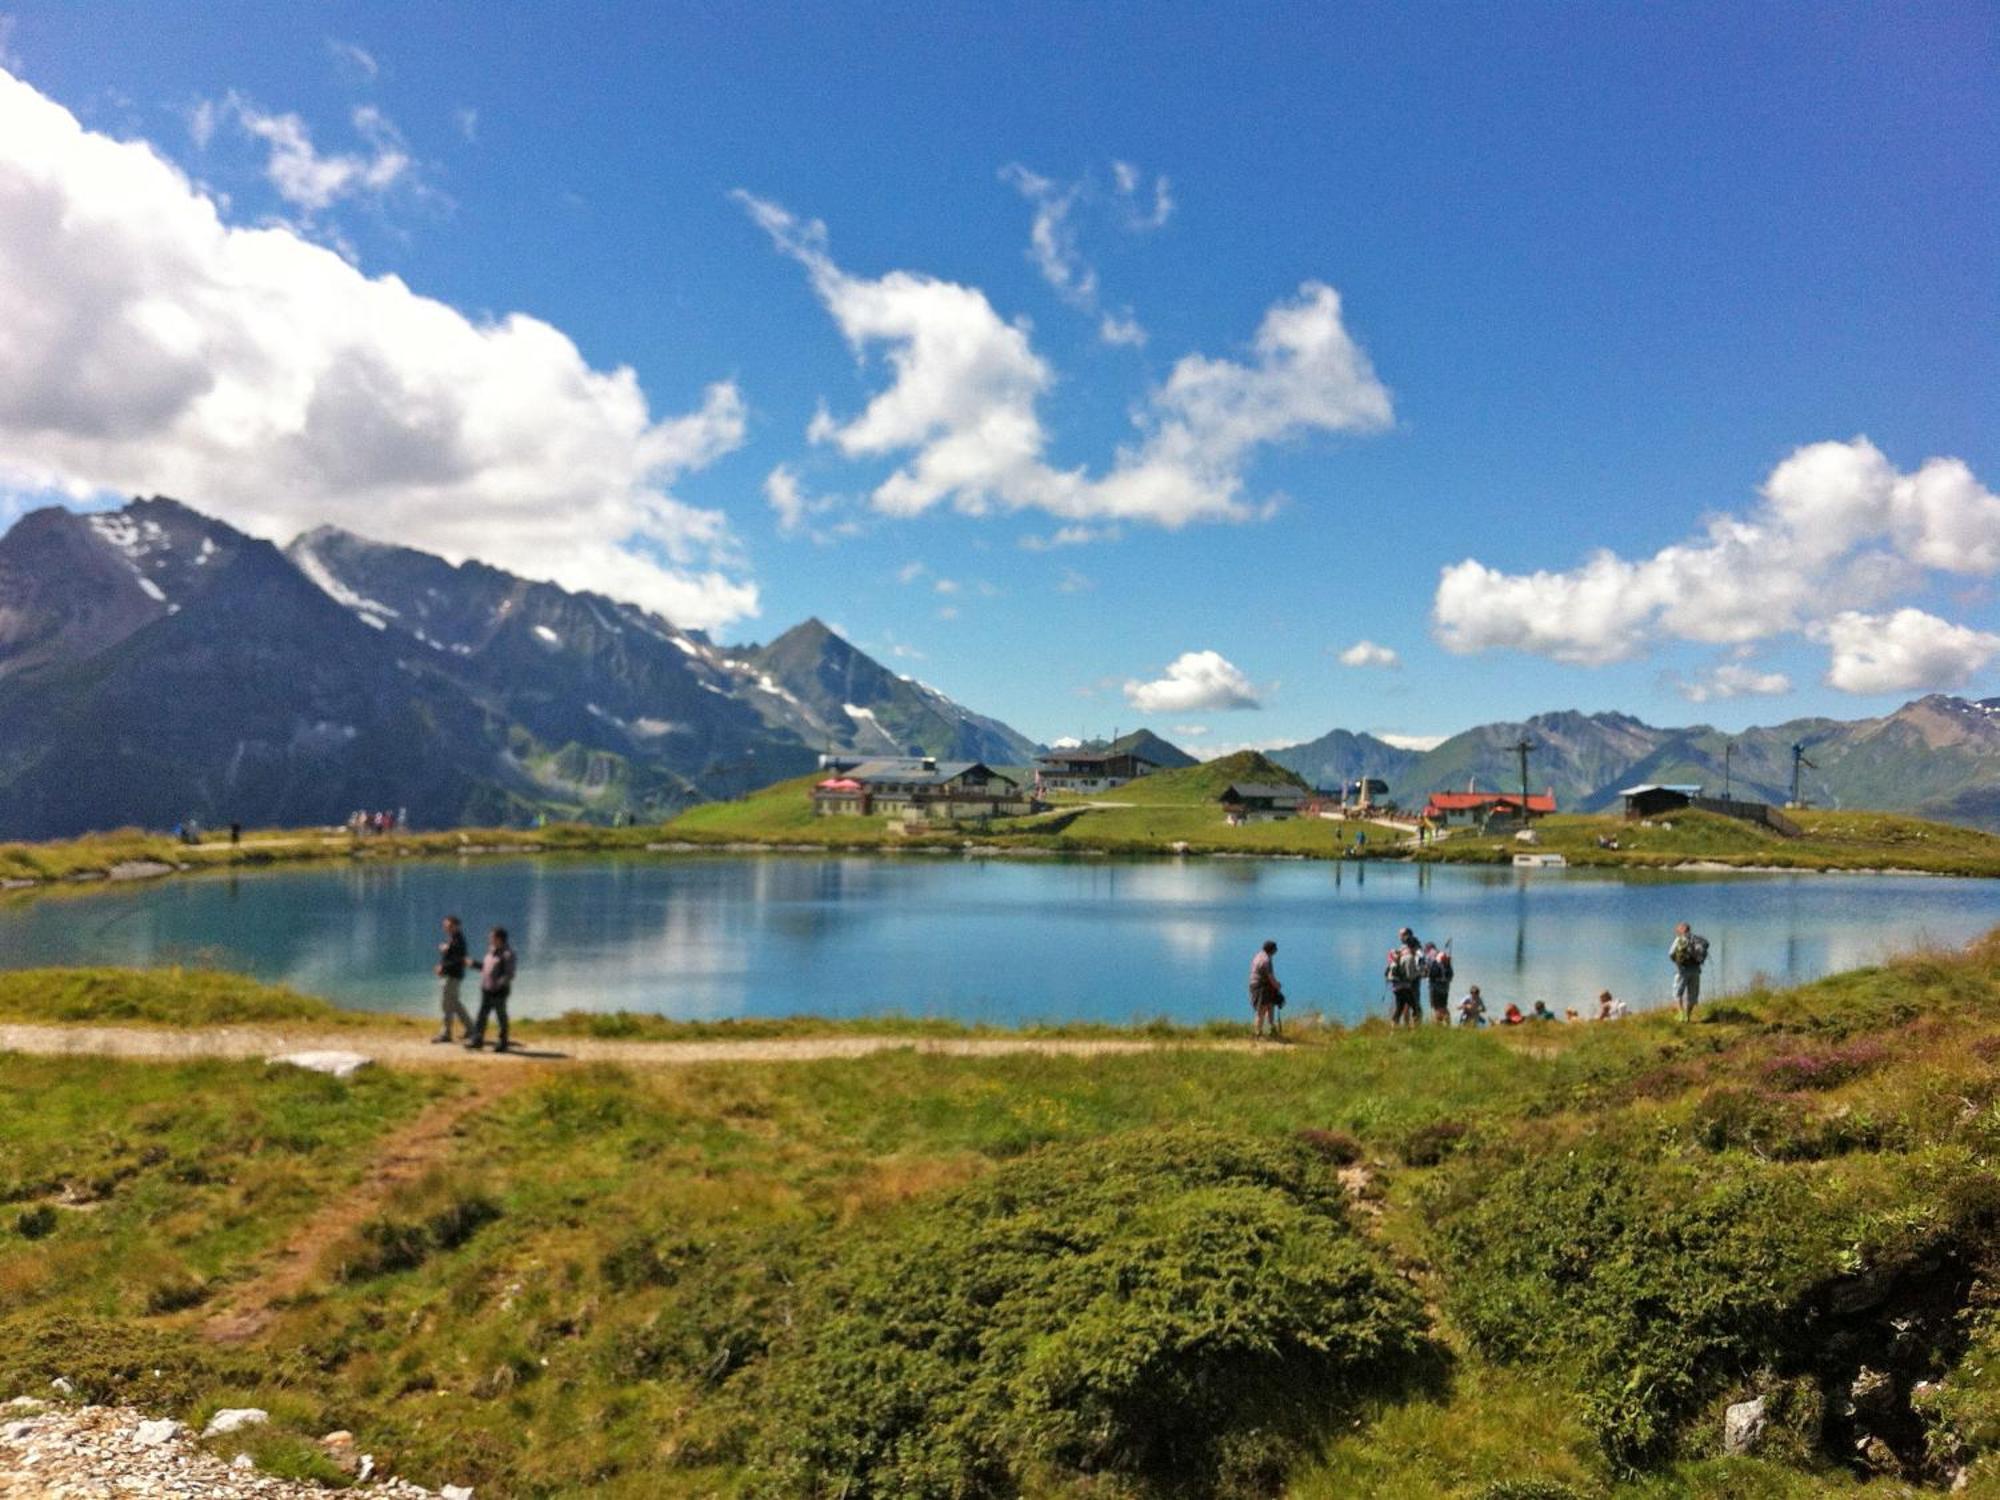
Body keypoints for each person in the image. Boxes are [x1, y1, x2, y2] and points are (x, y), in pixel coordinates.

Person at [467, 926, 517, 1052]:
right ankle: (477, 1040)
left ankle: (502, 1042)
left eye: (492, 937)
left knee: (501, 1017)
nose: (489, 939)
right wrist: (473, 964)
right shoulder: (491, 951)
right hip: (486, 989)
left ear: (499, 939)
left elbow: (509, 974)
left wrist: (498, 985)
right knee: (481, 1016)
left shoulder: (508, 954)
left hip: (499, 991)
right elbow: (486, 967)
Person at [433, 914, 474, 1044]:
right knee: (454, 1004)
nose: (446, 928)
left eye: (449, 926)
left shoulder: (458, 941)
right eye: (445, 926)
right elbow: (453, 957)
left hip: (452, 976)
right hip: (452, 975)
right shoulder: (454, 939)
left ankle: (446, 1034)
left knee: (447, 1005)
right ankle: (472, 1029)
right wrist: (445, 951)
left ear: (457, 926)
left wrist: (442, 967)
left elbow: (458, 960)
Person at [1670, 921, 1710, 1022]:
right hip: (1696, 970)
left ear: (1682, 929)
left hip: (1682, 971)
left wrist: (1677, 962)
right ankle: (1688, 1016)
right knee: (1692, 995)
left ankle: (1681, 1014)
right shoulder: (1697, 940)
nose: (1676, 931)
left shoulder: (1680, 939)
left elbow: (1670, 953)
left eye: (1678, 929)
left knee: (1677, 993)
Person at [1386, 928, 1425, 1027]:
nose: (1400, 937)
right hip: (1408, 984)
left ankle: (1396, 1029)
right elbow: (1415, 971)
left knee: (1400, 1008)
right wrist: (1421, 973)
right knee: (1416, 1008)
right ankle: (1414, 1029)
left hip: (1397, 985)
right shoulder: (1412, 953)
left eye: (1402, 935)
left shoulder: (1400, 951)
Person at [1248, 940, 1284, 1038]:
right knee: (1262, 1010)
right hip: (1260, 986)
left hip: (1258, 985)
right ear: (1271, 950)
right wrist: (1277, 986)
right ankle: (1258, 1033)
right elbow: (1270, 977)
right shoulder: (1266, 960)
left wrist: (1274, 986)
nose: (1276, 950)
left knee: (1270, 1005)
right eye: (1275, 948)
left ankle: (1271, 1030)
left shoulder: (1258, 955)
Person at [1424, 942, 1454, 1026]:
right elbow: (1450, 974)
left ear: (1427, 949)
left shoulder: (1430, 956)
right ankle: (1448, 1024)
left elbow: (1426, 972)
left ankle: (1438, 1026)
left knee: (1436, 1007)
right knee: (1443, 1006)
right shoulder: (1443, 956)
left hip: (1434, 986)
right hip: (1445, 986)